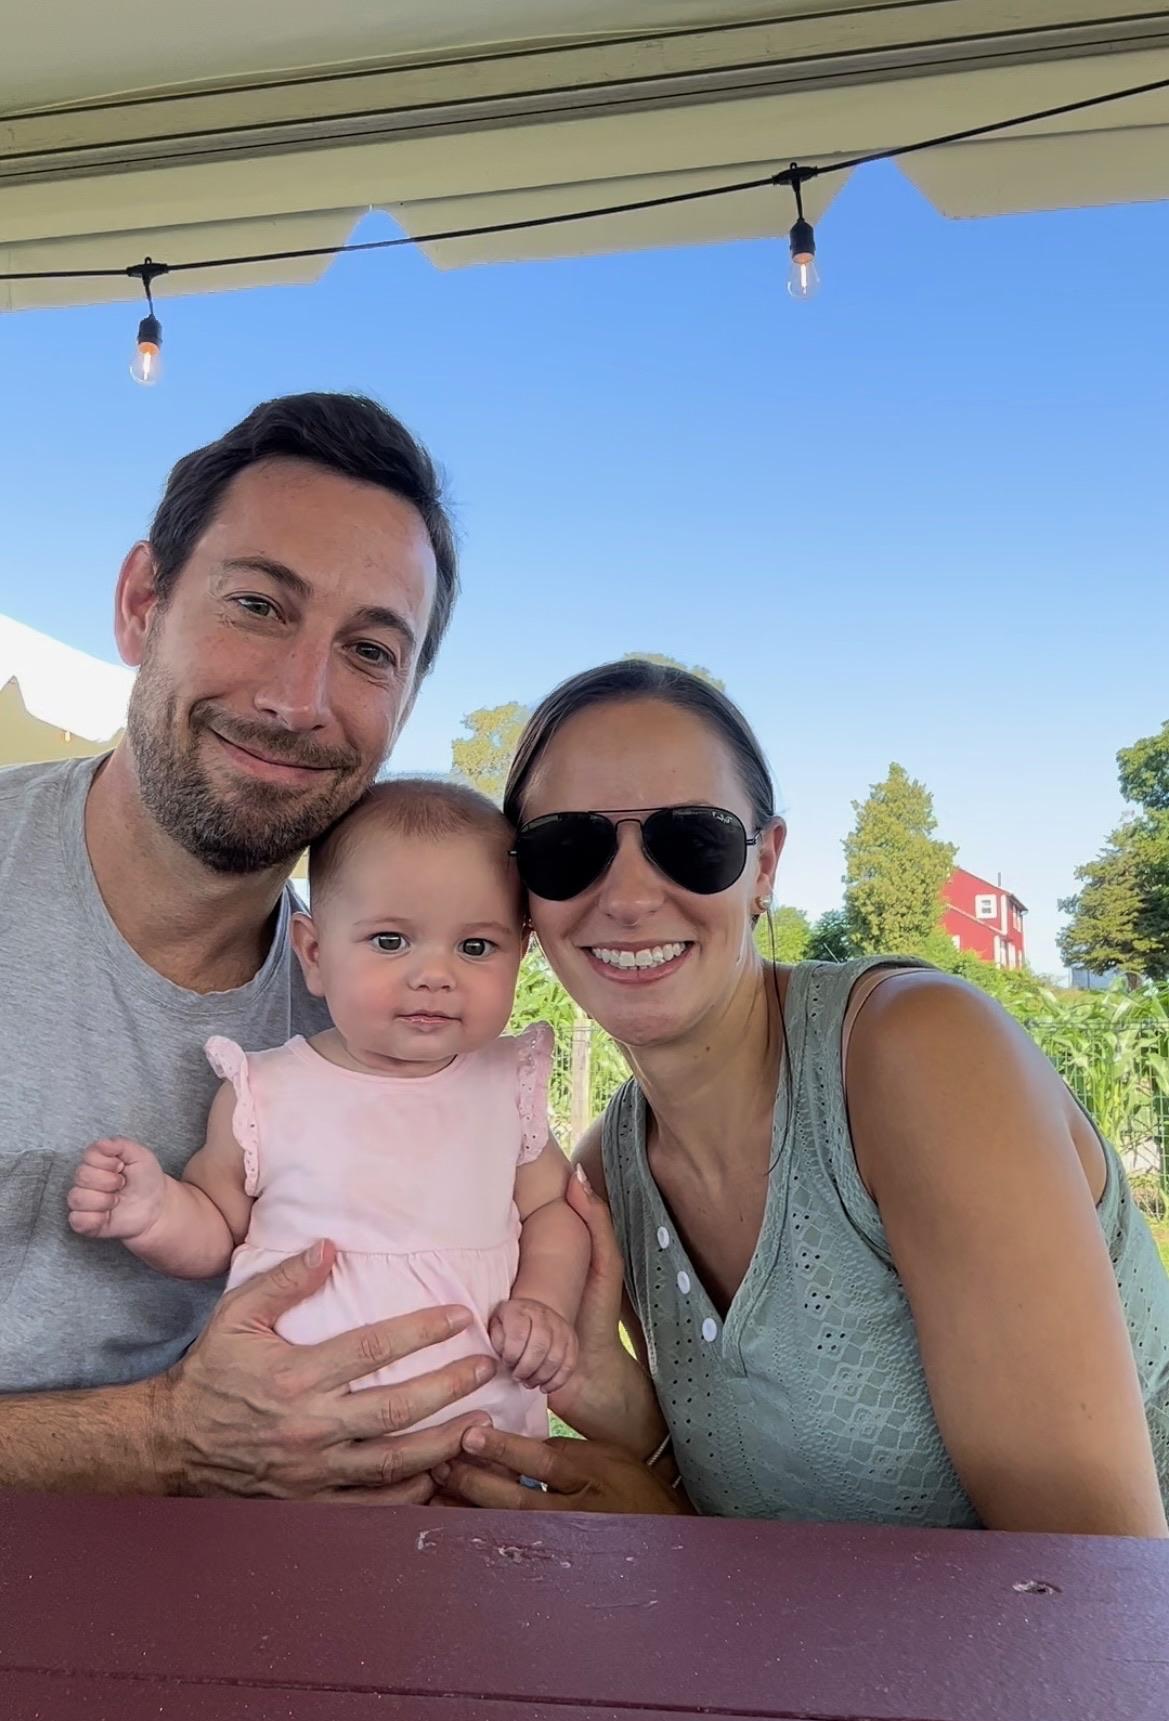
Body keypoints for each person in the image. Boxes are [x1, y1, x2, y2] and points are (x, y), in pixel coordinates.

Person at [434, 658, 1169, 1536]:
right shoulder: (606, 1181)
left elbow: (1088, 1580)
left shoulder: (913, 1053)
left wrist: (675, 1535)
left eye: (693, 839)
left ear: (764, 865)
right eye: (566, 848)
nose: (626, 896)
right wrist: (619, 1411)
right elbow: (742, 1497)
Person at [0, 391, 502, 1501]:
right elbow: (203, 1437)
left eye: (368, 650)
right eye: (260, 605)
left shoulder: (382, 1017)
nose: (297, 698)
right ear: (142, 604)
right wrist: (166, 1437)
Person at [69, 778, 589, 1428]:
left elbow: (552, 1212)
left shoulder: (504, 1085)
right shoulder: (266, 1093)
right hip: (299, 1439)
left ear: (519, 954)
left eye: (475, 947)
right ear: (314, 954)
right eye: (391, 941)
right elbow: (218, 1226)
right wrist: (154, 1213)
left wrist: (544, 1302)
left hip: (483, 1432)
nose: (435, 974)